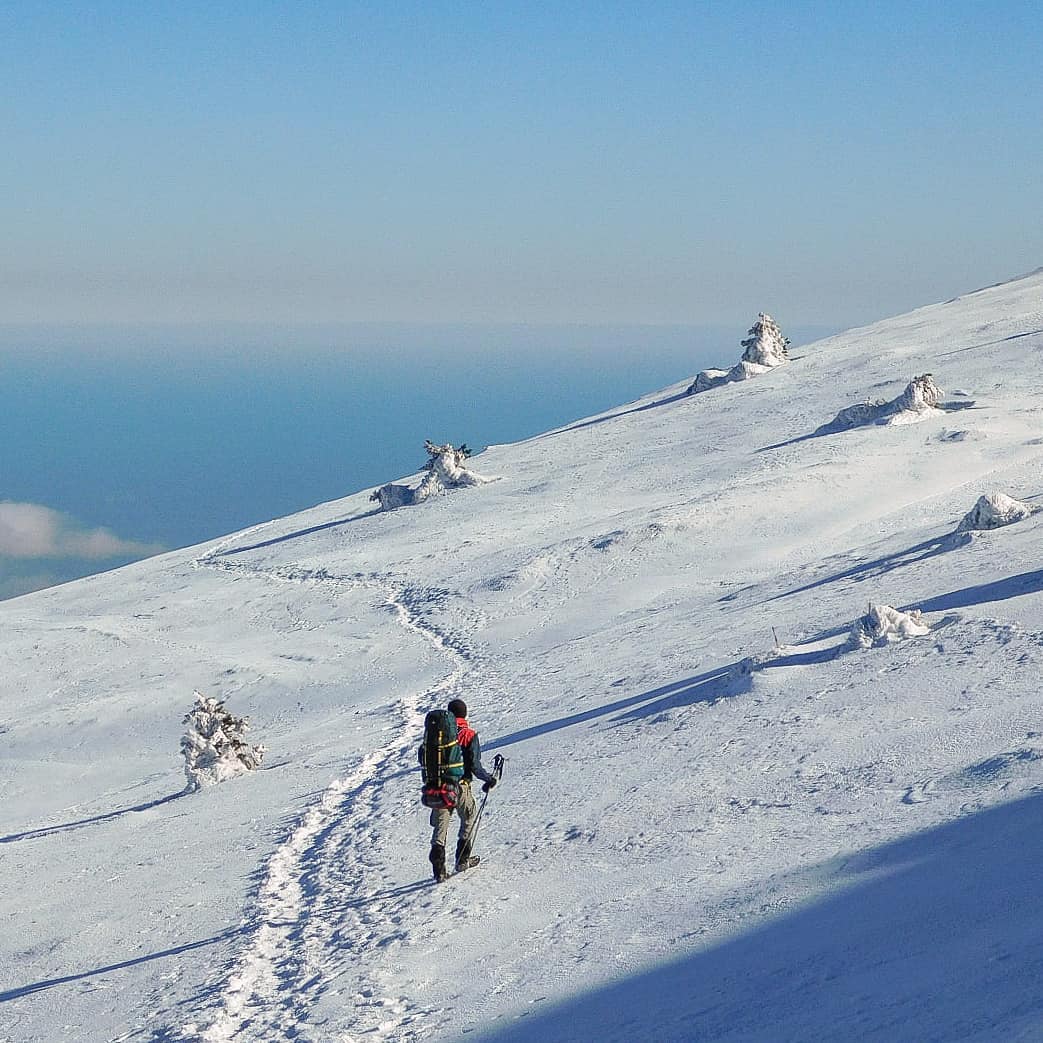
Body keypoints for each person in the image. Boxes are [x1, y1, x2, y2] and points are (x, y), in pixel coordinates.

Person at [428, 698, 497, 881]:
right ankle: (462, 859)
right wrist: (489, 779)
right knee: (468, 817)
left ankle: (439, 868)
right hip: (461, 787)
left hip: (438, 787)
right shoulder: (469, 734)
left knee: (440, 828)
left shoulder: (437, 735)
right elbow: (475, 765)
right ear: (465, 714)